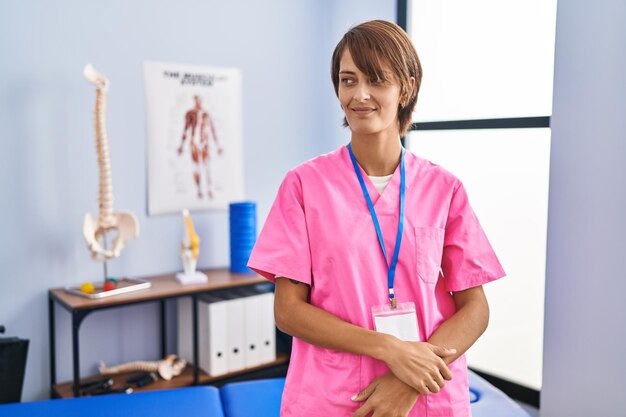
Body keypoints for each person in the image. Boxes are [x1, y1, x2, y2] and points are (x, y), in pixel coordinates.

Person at [248, 20, 505, 417]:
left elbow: (475, 308)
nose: (360, 94)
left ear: (407, 87)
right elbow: (288, 310)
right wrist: (390, 349)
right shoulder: (303, 185)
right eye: (348, 80)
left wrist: (408, 379)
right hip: (334, 396)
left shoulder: (444, 188)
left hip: (425, 394)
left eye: (376, 80)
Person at [177, 95, 223, 199]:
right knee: (196, 167)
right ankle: (199, 190)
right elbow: (185, 129)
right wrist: (181, 146)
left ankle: (209, 189)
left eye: (200, 100)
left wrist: (217, 146)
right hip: (194, 143)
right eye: (196, 100)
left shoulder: (206, 114)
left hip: (204, 143)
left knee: (207, 166)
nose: (198, 102)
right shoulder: (190, 114)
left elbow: (212, 129)